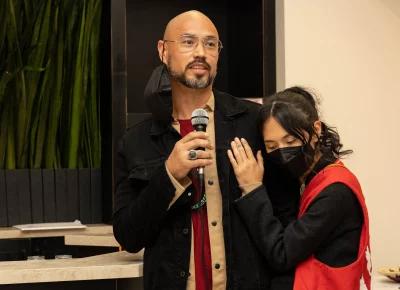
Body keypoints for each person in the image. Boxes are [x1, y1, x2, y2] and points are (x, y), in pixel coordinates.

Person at [112, 10, 298, 290]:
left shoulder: (254, 123)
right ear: (164, 51)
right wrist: (169, 175)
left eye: (211, 44)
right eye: (188, 42)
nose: (201, 52)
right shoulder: (136, 141)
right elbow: (128, 236)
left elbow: (288, 221)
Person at [227, 86, 372, 290]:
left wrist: (252, 190)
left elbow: (282, 253)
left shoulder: (335, 191)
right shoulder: (309, 178)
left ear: (316, 131)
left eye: (291, 140)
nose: (283, 152)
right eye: (272, 146)